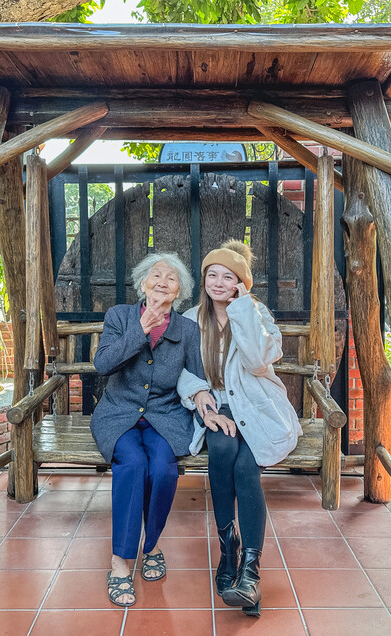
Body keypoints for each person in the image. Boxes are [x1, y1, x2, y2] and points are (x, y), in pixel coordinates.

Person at [178, 240, 302, 617]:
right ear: (204, 279)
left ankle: (249, 570)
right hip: (216, 406)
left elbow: (258, 360)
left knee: (248, 468)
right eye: (211, 274)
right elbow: (176, 367)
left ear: (240, 284)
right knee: (222, 451)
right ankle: (227, 548)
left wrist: (243, 310)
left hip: (258, 407)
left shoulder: (256, 313)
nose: (217, 282)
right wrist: (198, 393)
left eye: (227, 277)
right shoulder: (188, 318)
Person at [92, 252, 204, 608]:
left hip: (165, 415)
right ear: (143, 283)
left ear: (179, 292)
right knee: (133, 464)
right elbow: (103, 365)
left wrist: (203, 399)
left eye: (171, 279)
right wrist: (141, 329)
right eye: (156, 275)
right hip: (118, 414)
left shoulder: (187, 329)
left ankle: (151, 543)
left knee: (162, 468)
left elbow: (196, 376)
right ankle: (120, 562)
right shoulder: (120, 317)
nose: (162, 282)